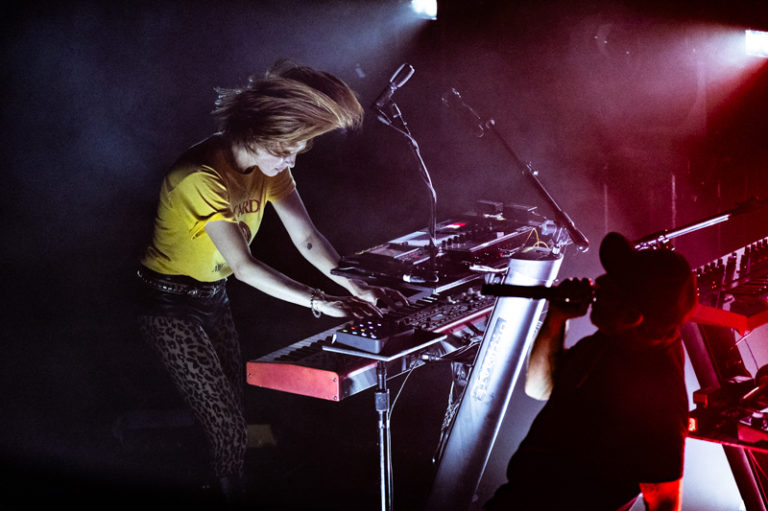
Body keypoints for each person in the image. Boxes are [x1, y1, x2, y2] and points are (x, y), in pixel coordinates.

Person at [136, 60, 406, 501]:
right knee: (225, 423)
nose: (291, 161)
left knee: (232, 411)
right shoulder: (199, 177)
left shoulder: (271, 166)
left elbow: (308, 238)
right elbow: (245, 266)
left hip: (212, 295)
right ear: (258, 134)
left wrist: (357, 286)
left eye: (297, 150)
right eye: (286, 150)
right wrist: (321, 301)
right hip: (168, 304)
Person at [485, 232, 698, 511]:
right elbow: (539, 387)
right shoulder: (607, 342)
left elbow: (664, 501)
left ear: (633, 315)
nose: (600, 282)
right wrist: (557, 317)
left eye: (614, 285)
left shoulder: (659, 396)